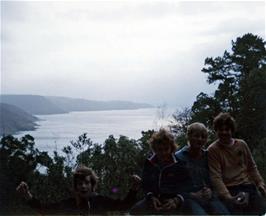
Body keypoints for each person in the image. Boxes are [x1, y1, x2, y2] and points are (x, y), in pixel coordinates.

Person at [17, 165, 141, 215]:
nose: (83, 186)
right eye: (79, 184)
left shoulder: (101, 201)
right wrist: (27, 195)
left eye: (86, 183)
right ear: (75, 187)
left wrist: (134, 189)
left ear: (93, 185)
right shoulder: (70, 203)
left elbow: (124, 206)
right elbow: (44, 209)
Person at [208, 112, 266, 215]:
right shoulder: (213, 150)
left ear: (232, 130)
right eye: (221, 129)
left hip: (248, 185)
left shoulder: (241, 144)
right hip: (230, 189)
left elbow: (251, 167)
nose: (224, 132)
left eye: (227, 129)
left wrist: (260, 183)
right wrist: (228, 197)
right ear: (216, 130)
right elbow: (215, 177)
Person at [175, 122, 230, 215]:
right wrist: (192, 195)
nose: (200, 139)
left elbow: (217, 177)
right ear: (188, 136)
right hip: (189, 199)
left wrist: (211, 192)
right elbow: (173, 184)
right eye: (196, 136)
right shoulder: (178, 157)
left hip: (209, 197)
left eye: (203, 136)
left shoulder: (209, 156)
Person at [130, 128, 186, 215]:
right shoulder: (149, 163)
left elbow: (186, 186)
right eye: (160, 149)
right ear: (154, 149)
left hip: (173, 202)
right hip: (153, 200)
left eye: (166, 149)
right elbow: (146, 184)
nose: (163, 152)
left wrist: (176, 200)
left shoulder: (179, 164)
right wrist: (151, 197)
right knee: (134, 211)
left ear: (172, 148)